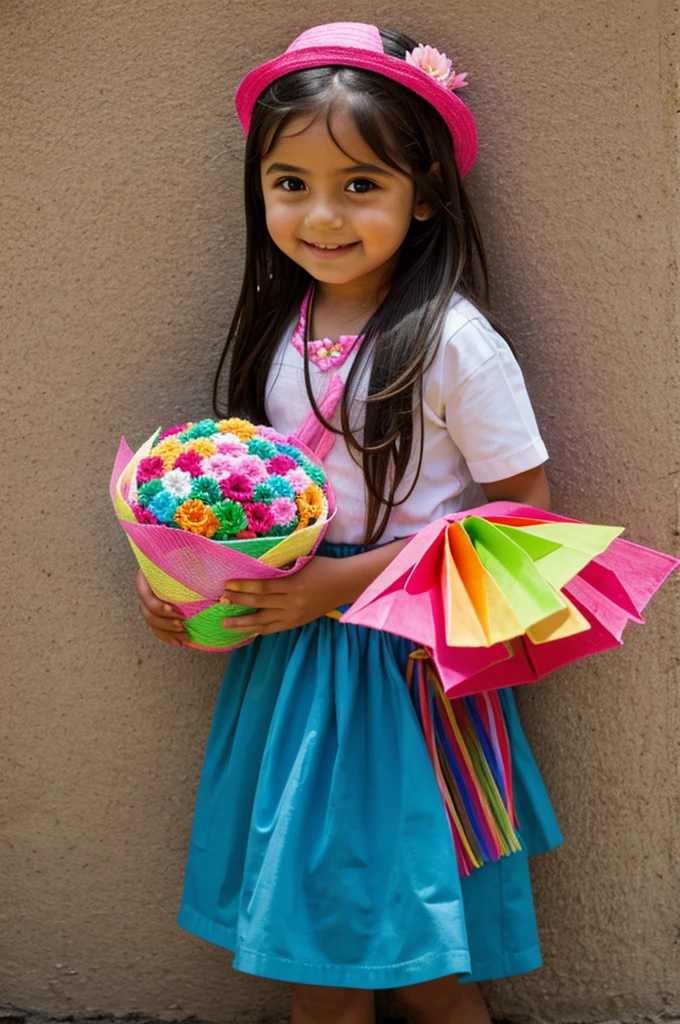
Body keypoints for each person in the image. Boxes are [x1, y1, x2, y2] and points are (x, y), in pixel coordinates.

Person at [136, 23, 563, 1024]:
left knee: (417, 964)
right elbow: (253, 500)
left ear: (424, 195)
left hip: (406, 674)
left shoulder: (457, 343)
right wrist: (188, 587)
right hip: (294, 676)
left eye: (359, 184)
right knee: (318, 947)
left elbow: (523, 518)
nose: (319, 214)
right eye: (289, 183)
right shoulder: (282, 328)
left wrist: (337, 584)